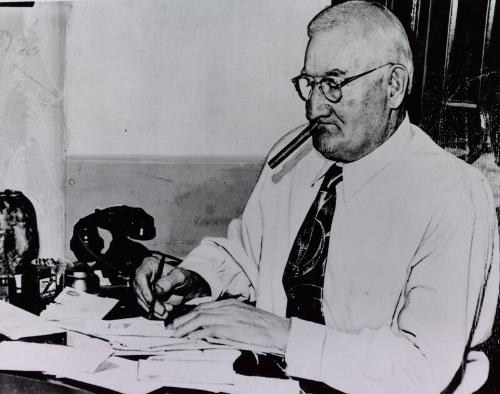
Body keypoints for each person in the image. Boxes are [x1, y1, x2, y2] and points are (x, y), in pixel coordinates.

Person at [134, 2, 499, 393]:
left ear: (393, 86)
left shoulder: (451, 193)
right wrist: (195, 278)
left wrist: (287, 336)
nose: (314, 107)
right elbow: (251, 257)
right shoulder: (296, 161)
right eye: (309, 84)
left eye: (335, 85)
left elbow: (423, 367)